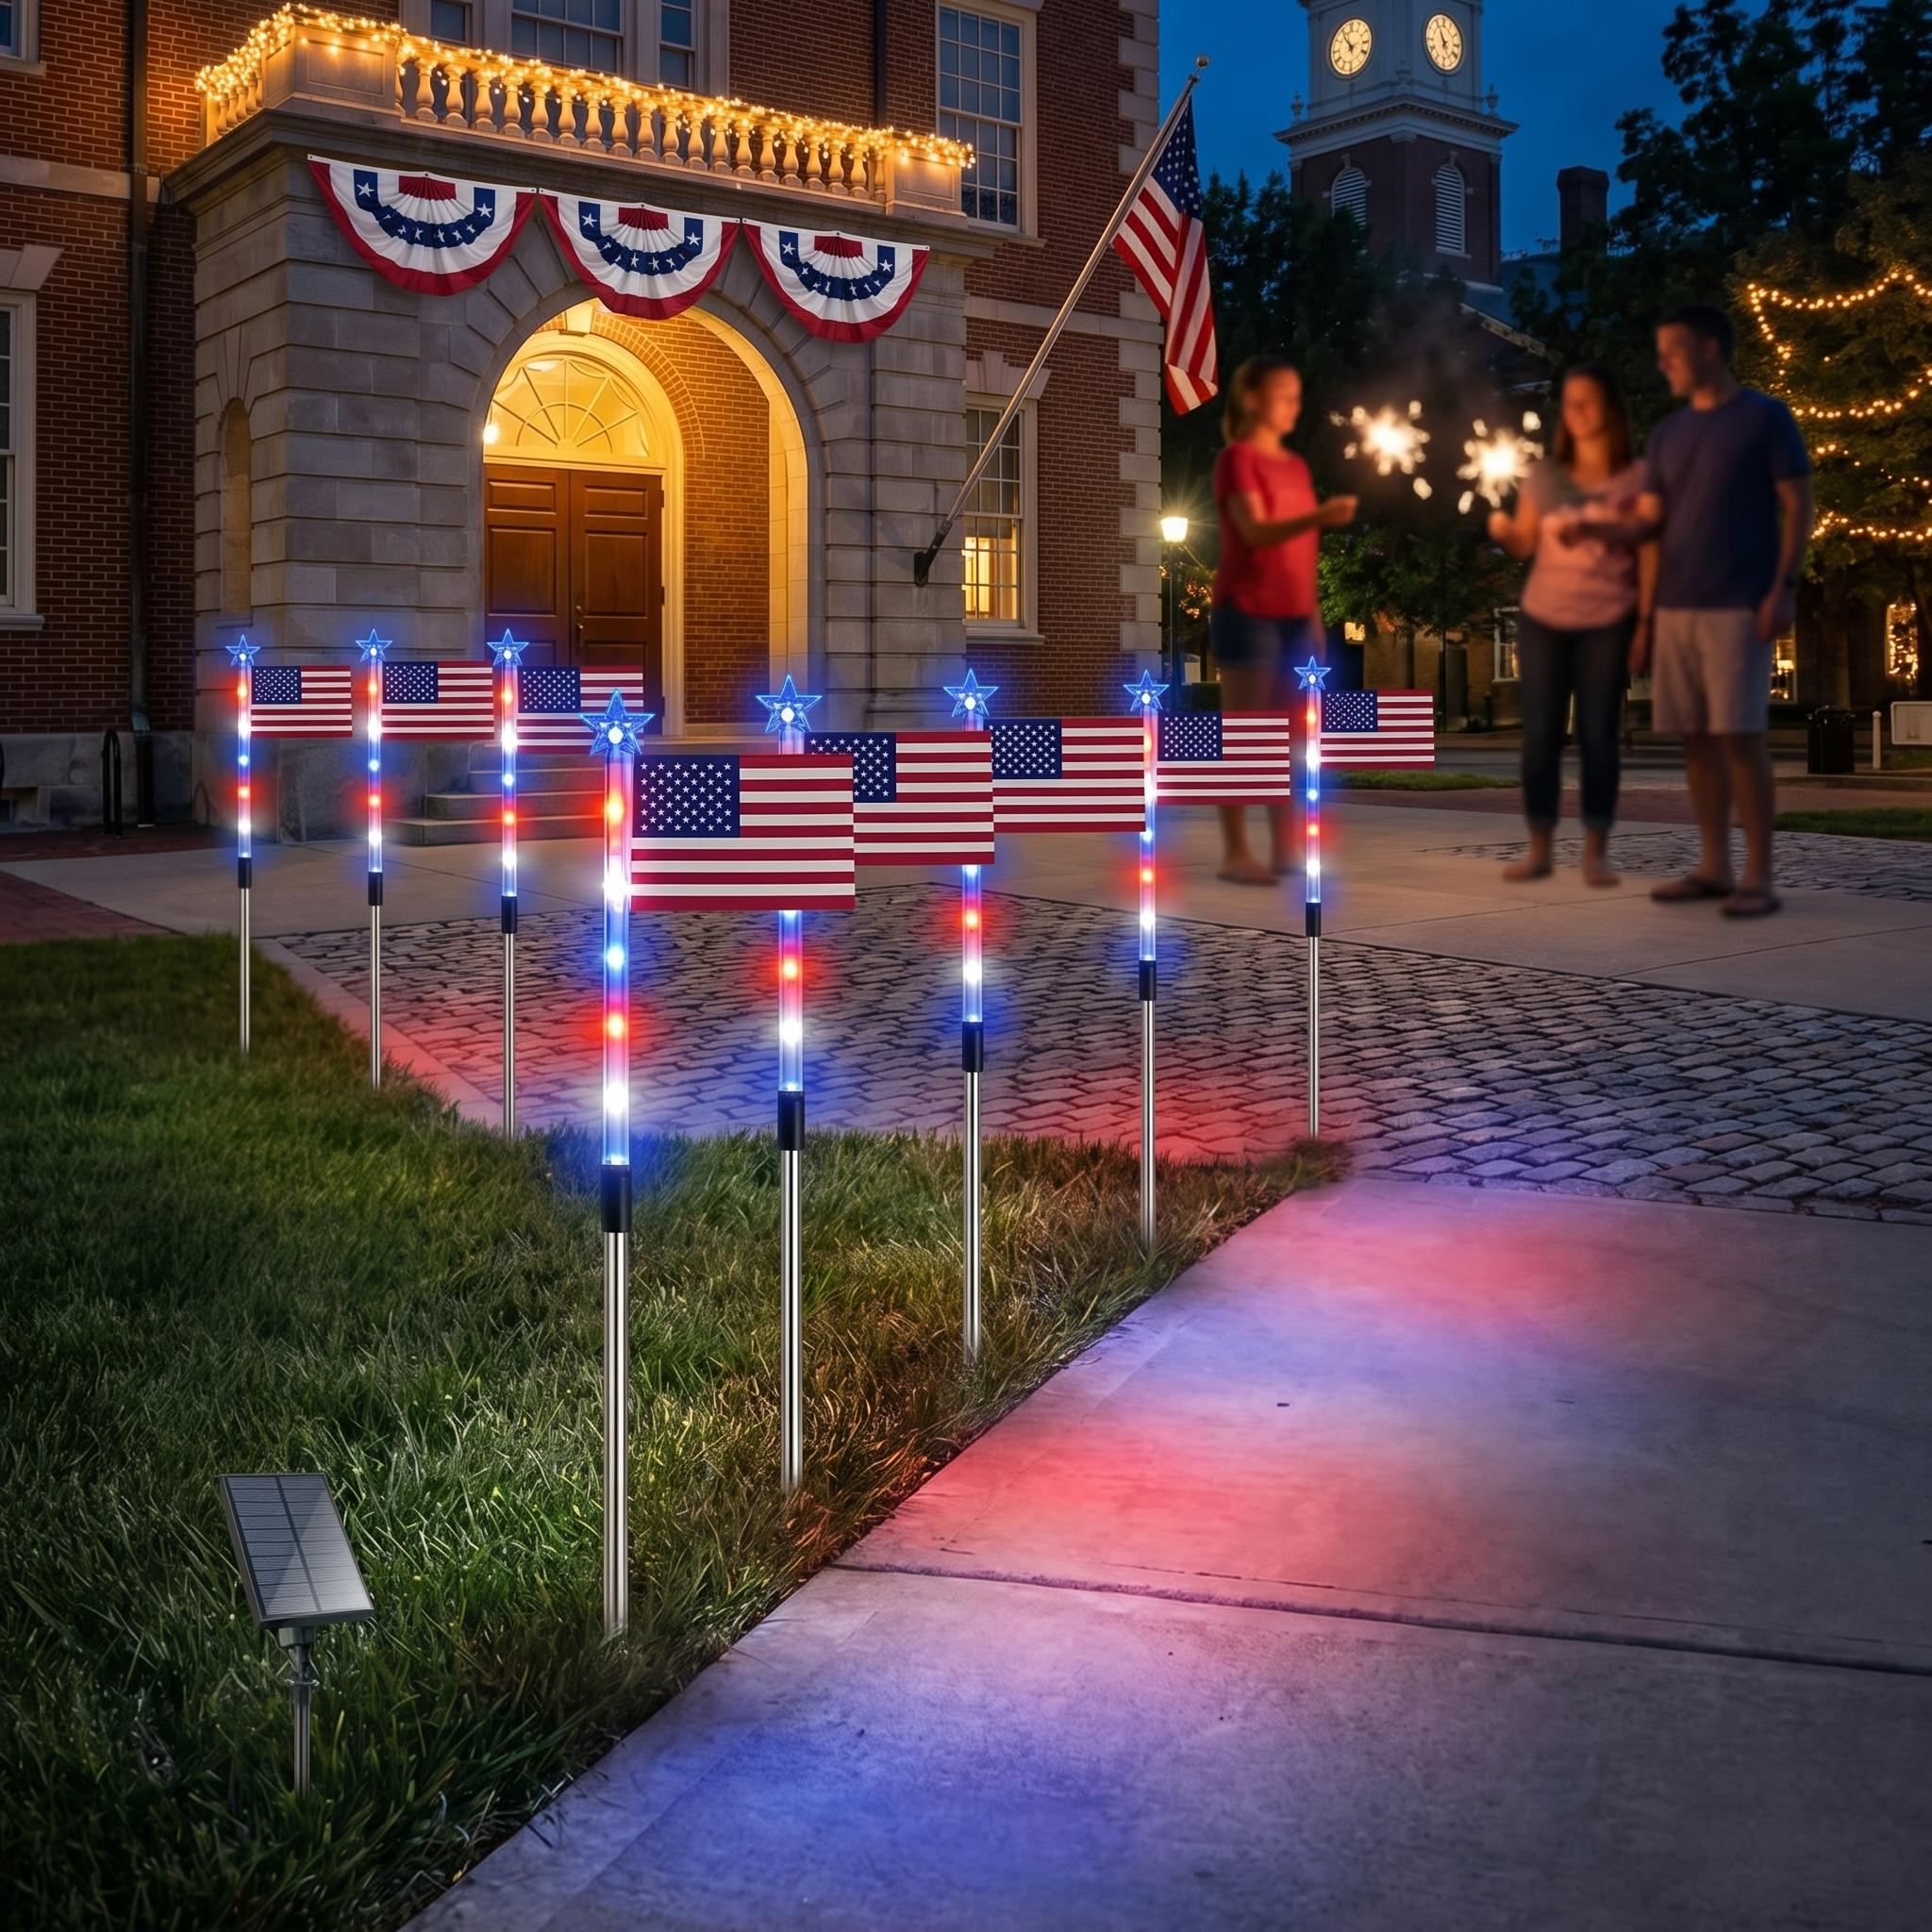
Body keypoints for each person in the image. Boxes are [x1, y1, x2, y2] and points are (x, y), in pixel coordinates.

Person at [1565, 304, 1813, 917]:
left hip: (1739, 604)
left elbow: (1798, 504)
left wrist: (1785, 585)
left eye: (1673, 350)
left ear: (1708, 350)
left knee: (1740, 738)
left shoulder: (1764, 418)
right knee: (1697, 742)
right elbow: (1650, 526)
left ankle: (1756, 875)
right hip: (1677, 607)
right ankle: (1713, 867)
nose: (1663, 362)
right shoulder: (1669, 435)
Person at [1487, 364, 1655, 887]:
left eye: (1590, 403)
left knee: (1598, 735)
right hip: (1544, 618)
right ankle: (1539, 849)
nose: (1579, 413)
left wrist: (1646, 622)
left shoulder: (1636, 477)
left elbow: (1649, 545)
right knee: (1540, 736)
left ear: (1609, 411)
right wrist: (1502, 526)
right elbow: (1524, 543)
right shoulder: (1543, 476)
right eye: (1572, 403)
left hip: (1607, 619)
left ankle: (1596, 853)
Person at [1209, 355, 1357, 884]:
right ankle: (1235, 851)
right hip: (1248, 610)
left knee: (1291, 737)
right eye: (1285, 395)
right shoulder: (1238, 460)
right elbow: (1255, 532)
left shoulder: (1295, 467)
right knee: (1249, 736)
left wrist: (1313, 613)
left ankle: (1284, 846)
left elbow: (1302, 549)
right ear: (1253, 400)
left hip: (1295, 614)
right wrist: (1321, 514)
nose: (1295, 405)